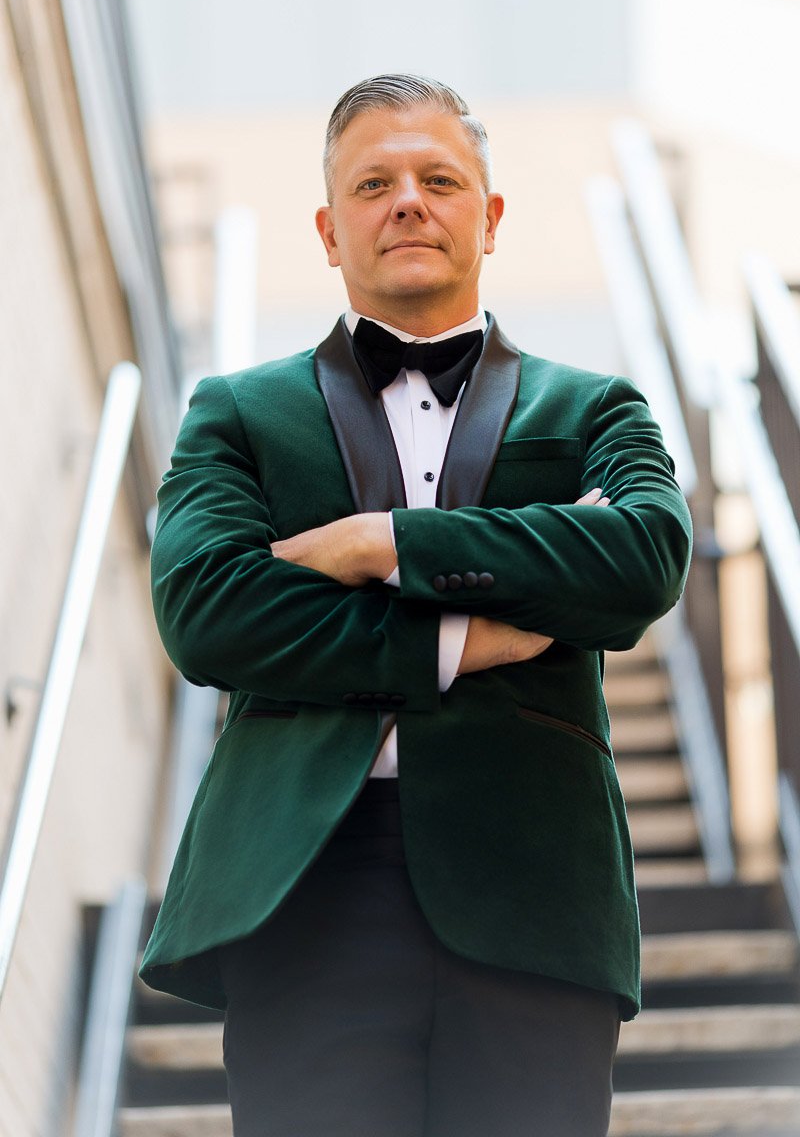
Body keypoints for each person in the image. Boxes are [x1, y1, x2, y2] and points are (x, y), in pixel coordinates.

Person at [138, 73, 692, 1136]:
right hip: (302, 883)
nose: (407, 201)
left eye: (439, 178)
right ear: (327, 227)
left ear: (486, 217)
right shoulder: (236, 412)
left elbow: (642, 555)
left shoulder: (593, 407)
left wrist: (385, 542)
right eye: (373, 182)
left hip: (535, 884)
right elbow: (207, 608)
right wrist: (456, 639)